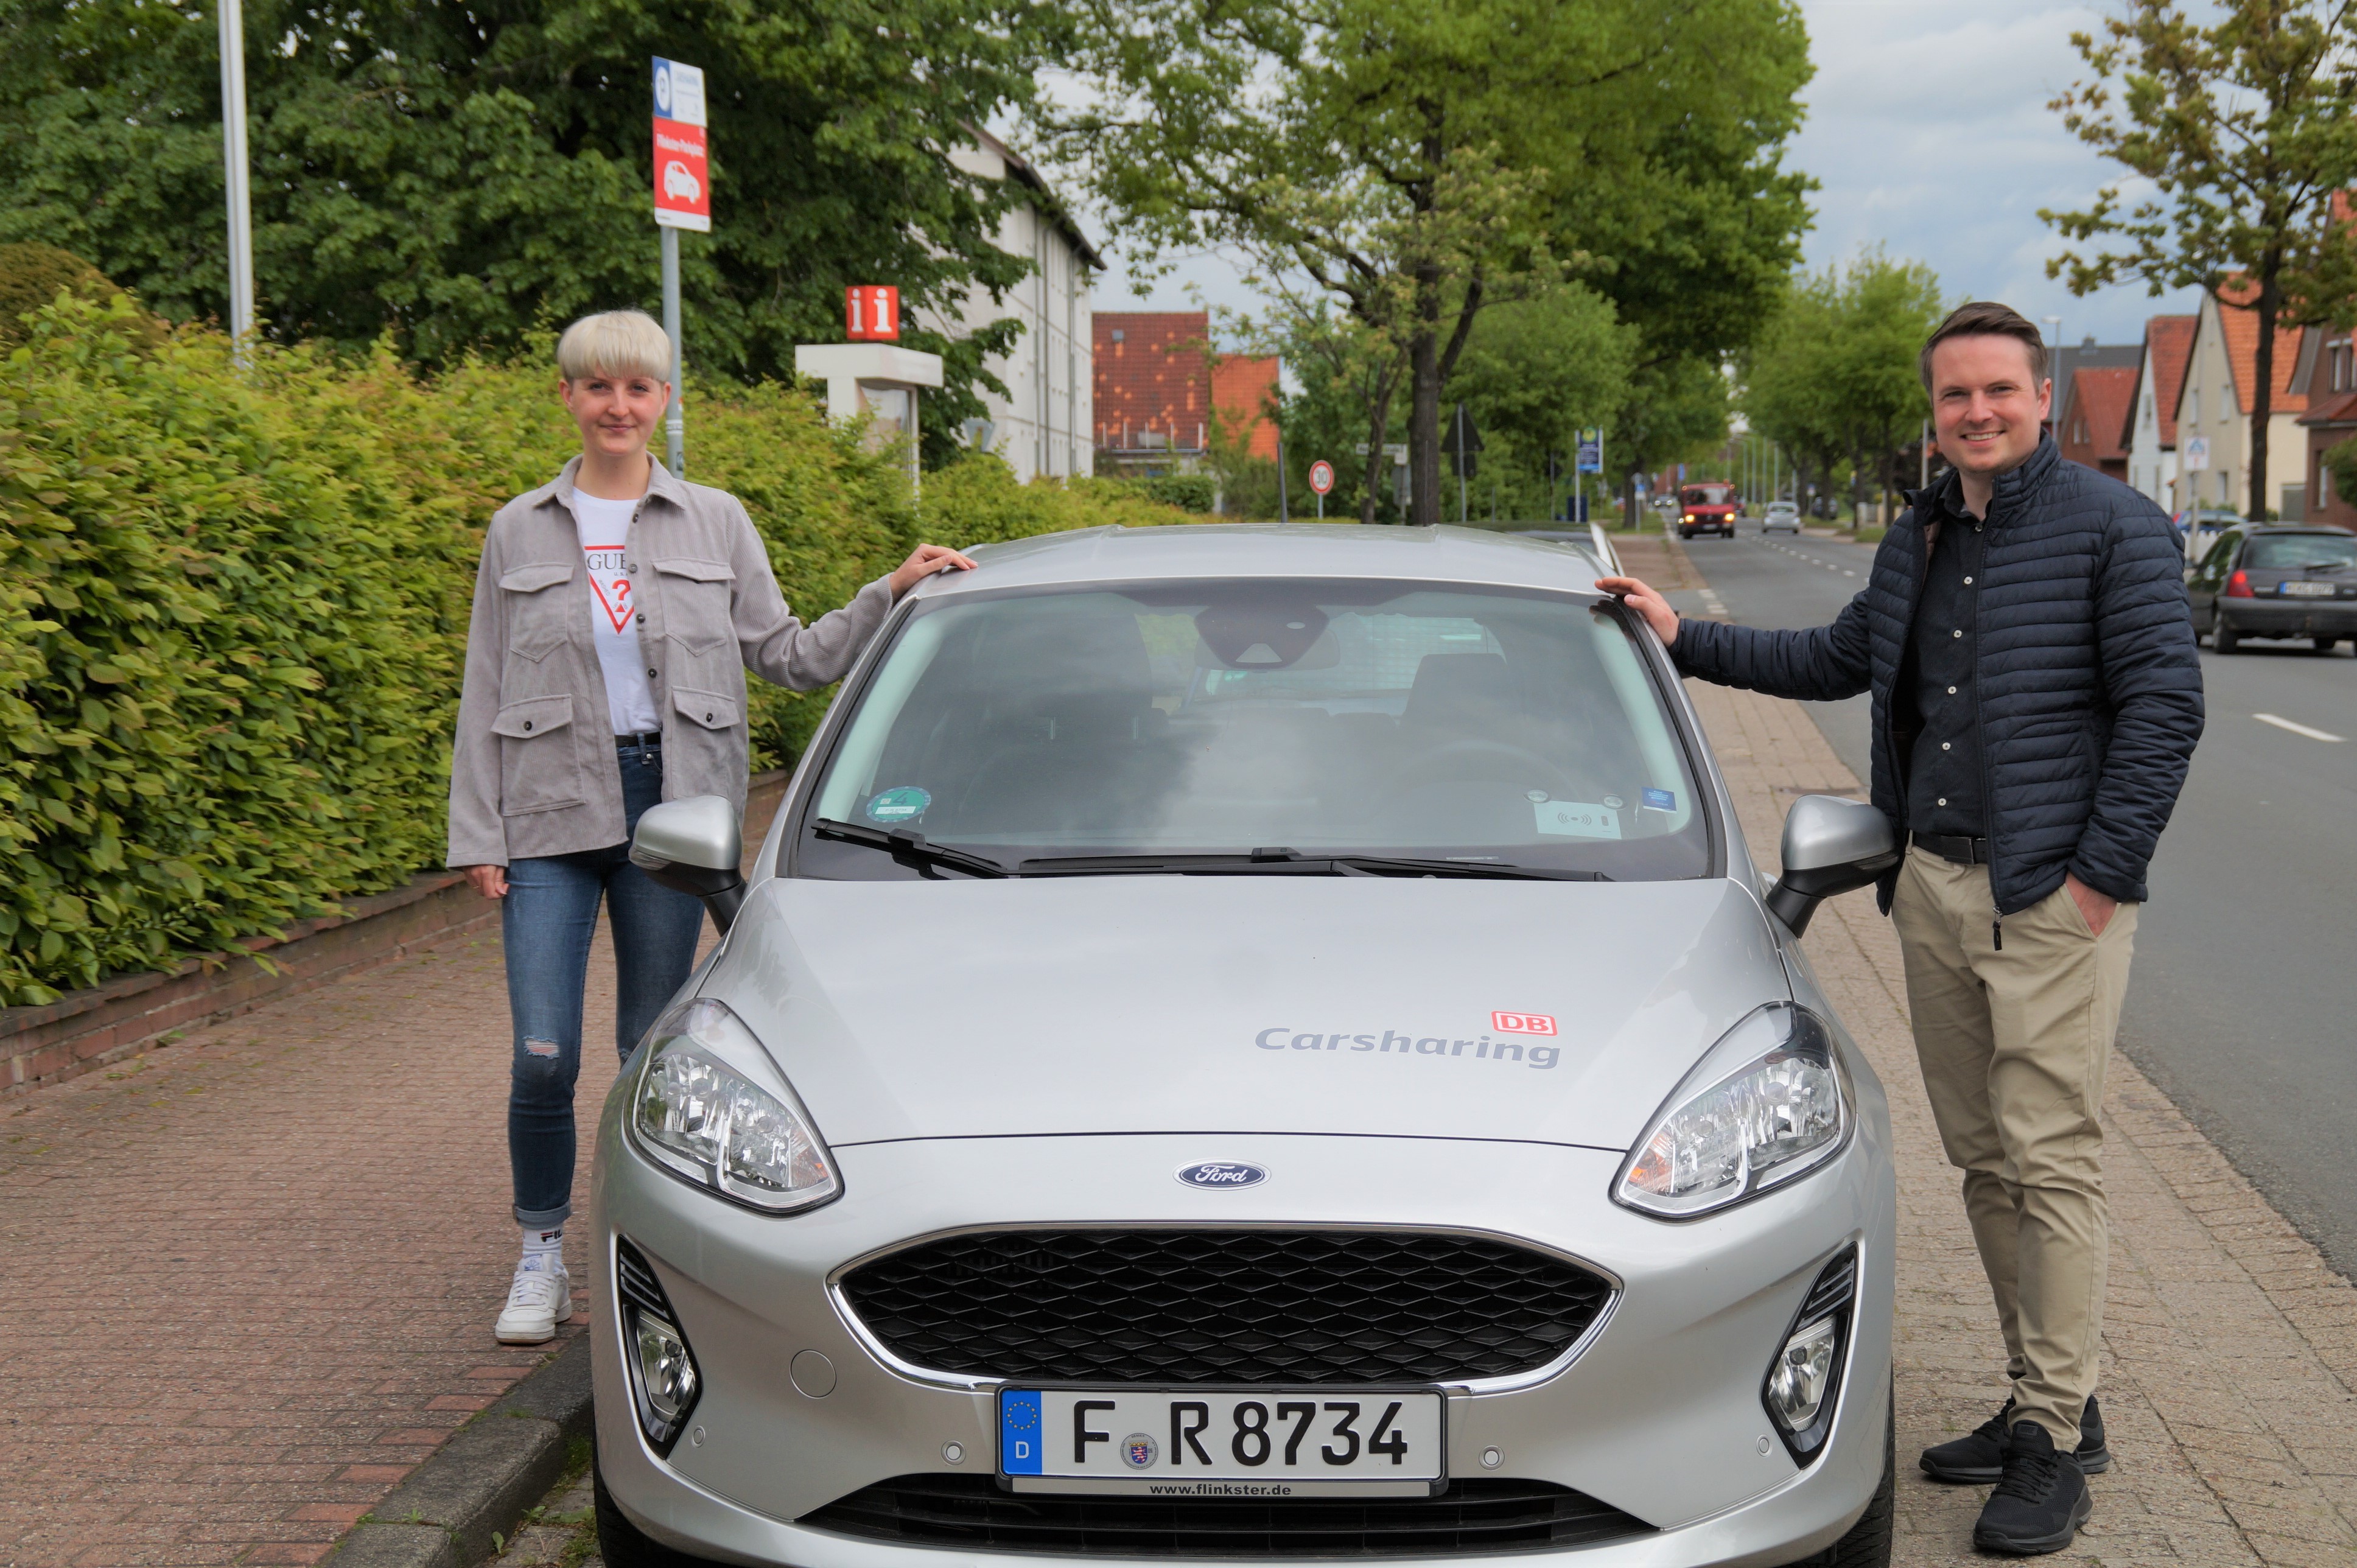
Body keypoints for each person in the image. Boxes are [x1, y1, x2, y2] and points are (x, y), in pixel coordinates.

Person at [1601, 301, 2202, 1556]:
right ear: (1932, 414)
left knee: (2052, 1161)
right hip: (1931, 886)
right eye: (1953, 397)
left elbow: (2162, 711)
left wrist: (2097, 880)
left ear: (2041, 397)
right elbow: (1833, 660)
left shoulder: (2115, 529)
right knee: (1984, 1160)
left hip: (2050, 899)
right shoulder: (1918, 535)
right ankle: (2052, 1398)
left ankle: (2049, 1436)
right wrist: (1680, 636)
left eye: (1997, 391)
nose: (1975, 413)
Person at [447, 309, 974, 1345]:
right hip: (551, 811)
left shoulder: (716, 520)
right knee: (544, 1054)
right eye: (598, 388)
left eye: (638, 389)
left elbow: (789, 654)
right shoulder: (519, 527)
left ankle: (648, 1256)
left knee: (652, 1049)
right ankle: (540, 1251)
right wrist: (479, 833)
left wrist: (891, 591)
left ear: (664, 401)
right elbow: (481, 686)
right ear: (568, 398)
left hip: (674, 808)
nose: (618, 407)